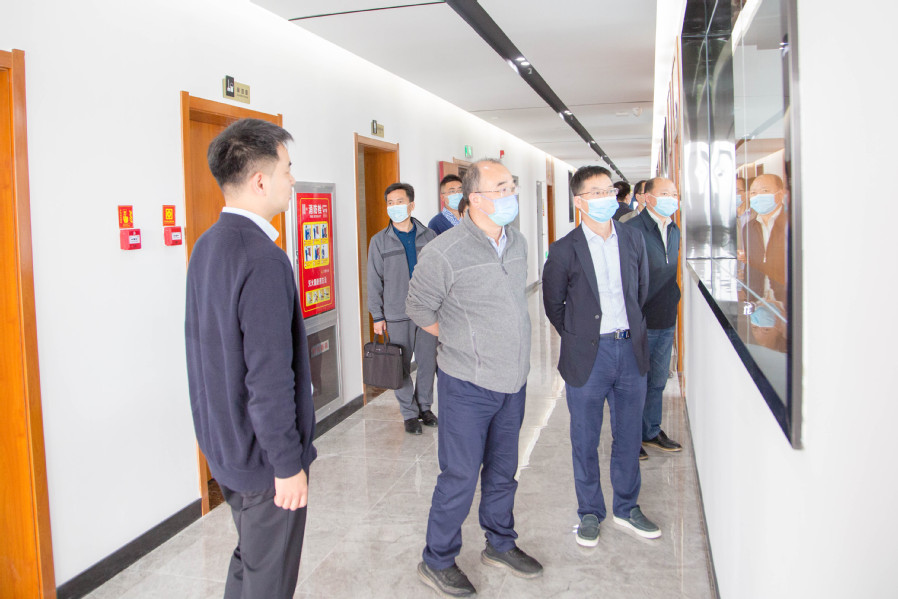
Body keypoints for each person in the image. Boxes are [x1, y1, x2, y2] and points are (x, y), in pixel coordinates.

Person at [185, 118, 316, 599]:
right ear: (261, 181)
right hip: (263, 459)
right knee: (270, 579)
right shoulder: (261, 258)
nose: (292, 180)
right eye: (287, 169)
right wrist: (287, 464)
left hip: (226, 445)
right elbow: (269, 377)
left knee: (252, 559)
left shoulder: (208, 245)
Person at [407, 159, 542, 597]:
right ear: (476, 199)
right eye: (501, 187)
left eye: (512, 185)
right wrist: (461, 339)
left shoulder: (517, 241)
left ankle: (500, 543)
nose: (511, 193)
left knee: (504, 471)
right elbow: (418, 307)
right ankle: (437, 559)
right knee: (460, 476)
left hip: (513, 382)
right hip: (466, 384)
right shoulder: (443, 252)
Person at [542, 165, 660, 548]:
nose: (606, 197)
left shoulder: (632, 238)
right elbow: (553, 305)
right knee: (585, 437)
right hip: (587, 357)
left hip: (629, 350)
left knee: (628, 435)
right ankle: (590, 511)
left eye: (609, 190)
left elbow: (640, 291)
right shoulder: (564, 249)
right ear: (579, 202)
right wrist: (579, 337)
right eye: (596, 193)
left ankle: (627, 506)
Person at [367, 182, 439, 434]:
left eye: (399, 202)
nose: (395, 207)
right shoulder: (379, 241)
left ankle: (425, 408)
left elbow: (439, 274)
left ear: (411, 205)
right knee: (400, 366)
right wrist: (377, 315)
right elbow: (374, 281)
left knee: (428, 363)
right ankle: (409, 413)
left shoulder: (429, 236)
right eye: (390, 203)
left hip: (427, 311)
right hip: (396, 314)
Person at [624, 177, 683, 459]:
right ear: (646, 197)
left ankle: (651, 430)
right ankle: (630, 437)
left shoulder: (674, 229)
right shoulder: (631, 230)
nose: (671, 198)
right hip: (639, 319)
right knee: (634, 382)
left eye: (674, 193)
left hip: (666, 315)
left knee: (657, 380)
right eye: (664, 193)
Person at [742, 174, 787, 304]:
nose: (758, 196)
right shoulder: (749, 228)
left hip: (786, 302)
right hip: (757, 300)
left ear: (780, 194)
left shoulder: (792, 224)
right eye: (753, 193)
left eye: (765, 191)